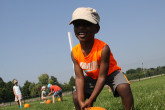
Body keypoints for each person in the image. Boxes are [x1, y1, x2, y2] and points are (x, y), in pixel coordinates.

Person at [69, 7, 134, 110]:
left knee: (124, 87)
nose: (81, 28)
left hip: (111, 73)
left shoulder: (103, 49)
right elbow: (79, 78)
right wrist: (81, 101)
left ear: (97, 29)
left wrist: (91, 99)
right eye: (77, 25)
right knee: (76, 96)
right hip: (92, 77)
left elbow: (102, 77)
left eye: (86, 24)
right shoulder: (74, 53)